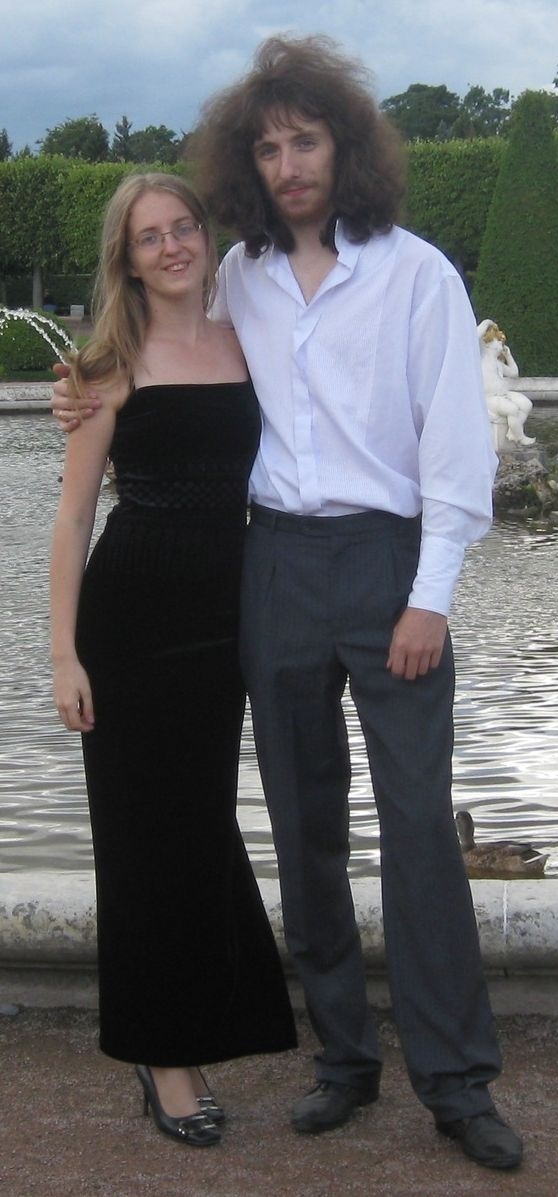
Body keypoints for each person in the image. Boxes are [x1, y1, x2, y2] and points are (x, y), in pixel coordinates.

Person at [52, 37, 523, 1172]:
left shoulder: (417, 275)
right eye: (266, 149)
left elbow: (457, 451)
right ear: (246, 168)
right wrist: (84, 389)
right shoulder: (242, 276)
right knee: (302, 824)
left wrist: (430, 596)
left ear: (343, 147)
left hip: (388, 566)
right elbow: (145, 346)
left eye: (304, 141)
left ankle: (457, 1081)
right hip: (273, 570)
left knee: (417, 826)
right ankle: (343, 1060)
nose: (288, 164)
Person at [49, 171, 296, 1150]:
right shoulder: (106, 366)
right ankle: (164, 1058)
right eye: (149, 236)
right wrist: (63, 654)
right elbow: (72, 519)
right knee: (140, 838)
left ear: (205, 235)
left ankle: (204, 1023)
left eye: (182, 226)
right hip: (130, 628)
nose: (171, 246)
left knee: (197, 829)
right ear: (128, 257)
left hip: (222, 628)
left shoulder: (246, 340)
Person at [477, 318, 535, 447]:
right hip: (489, 398)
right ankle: (520, 437)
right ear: (487, 343)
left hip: (503, 395)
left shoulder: (498, 363)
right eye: (498, 341)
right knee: (512, 409)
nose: (502, 344)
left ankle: (513, 432)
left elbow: (514, 373)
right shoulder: (482, 355)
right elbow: (475, 335)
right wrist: (488, 322)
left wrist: (508, 356)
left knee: (526, 404)